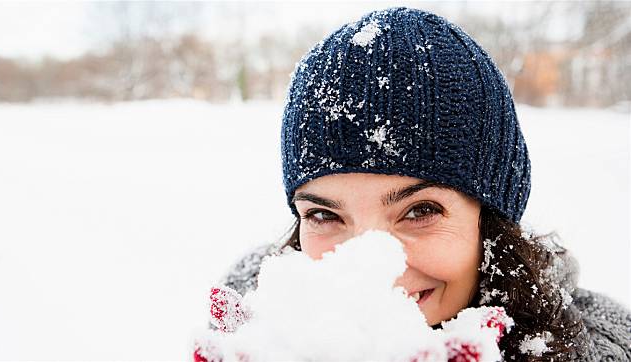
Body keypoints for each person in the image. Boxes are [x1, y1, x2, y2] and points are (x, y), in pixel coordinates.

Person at [210, 7, 631, 361]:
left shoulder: (608, 348)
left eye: (420, 211)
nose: (375, 267)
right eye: (323, 214)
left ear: (492, 221)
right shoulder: (253, 333)